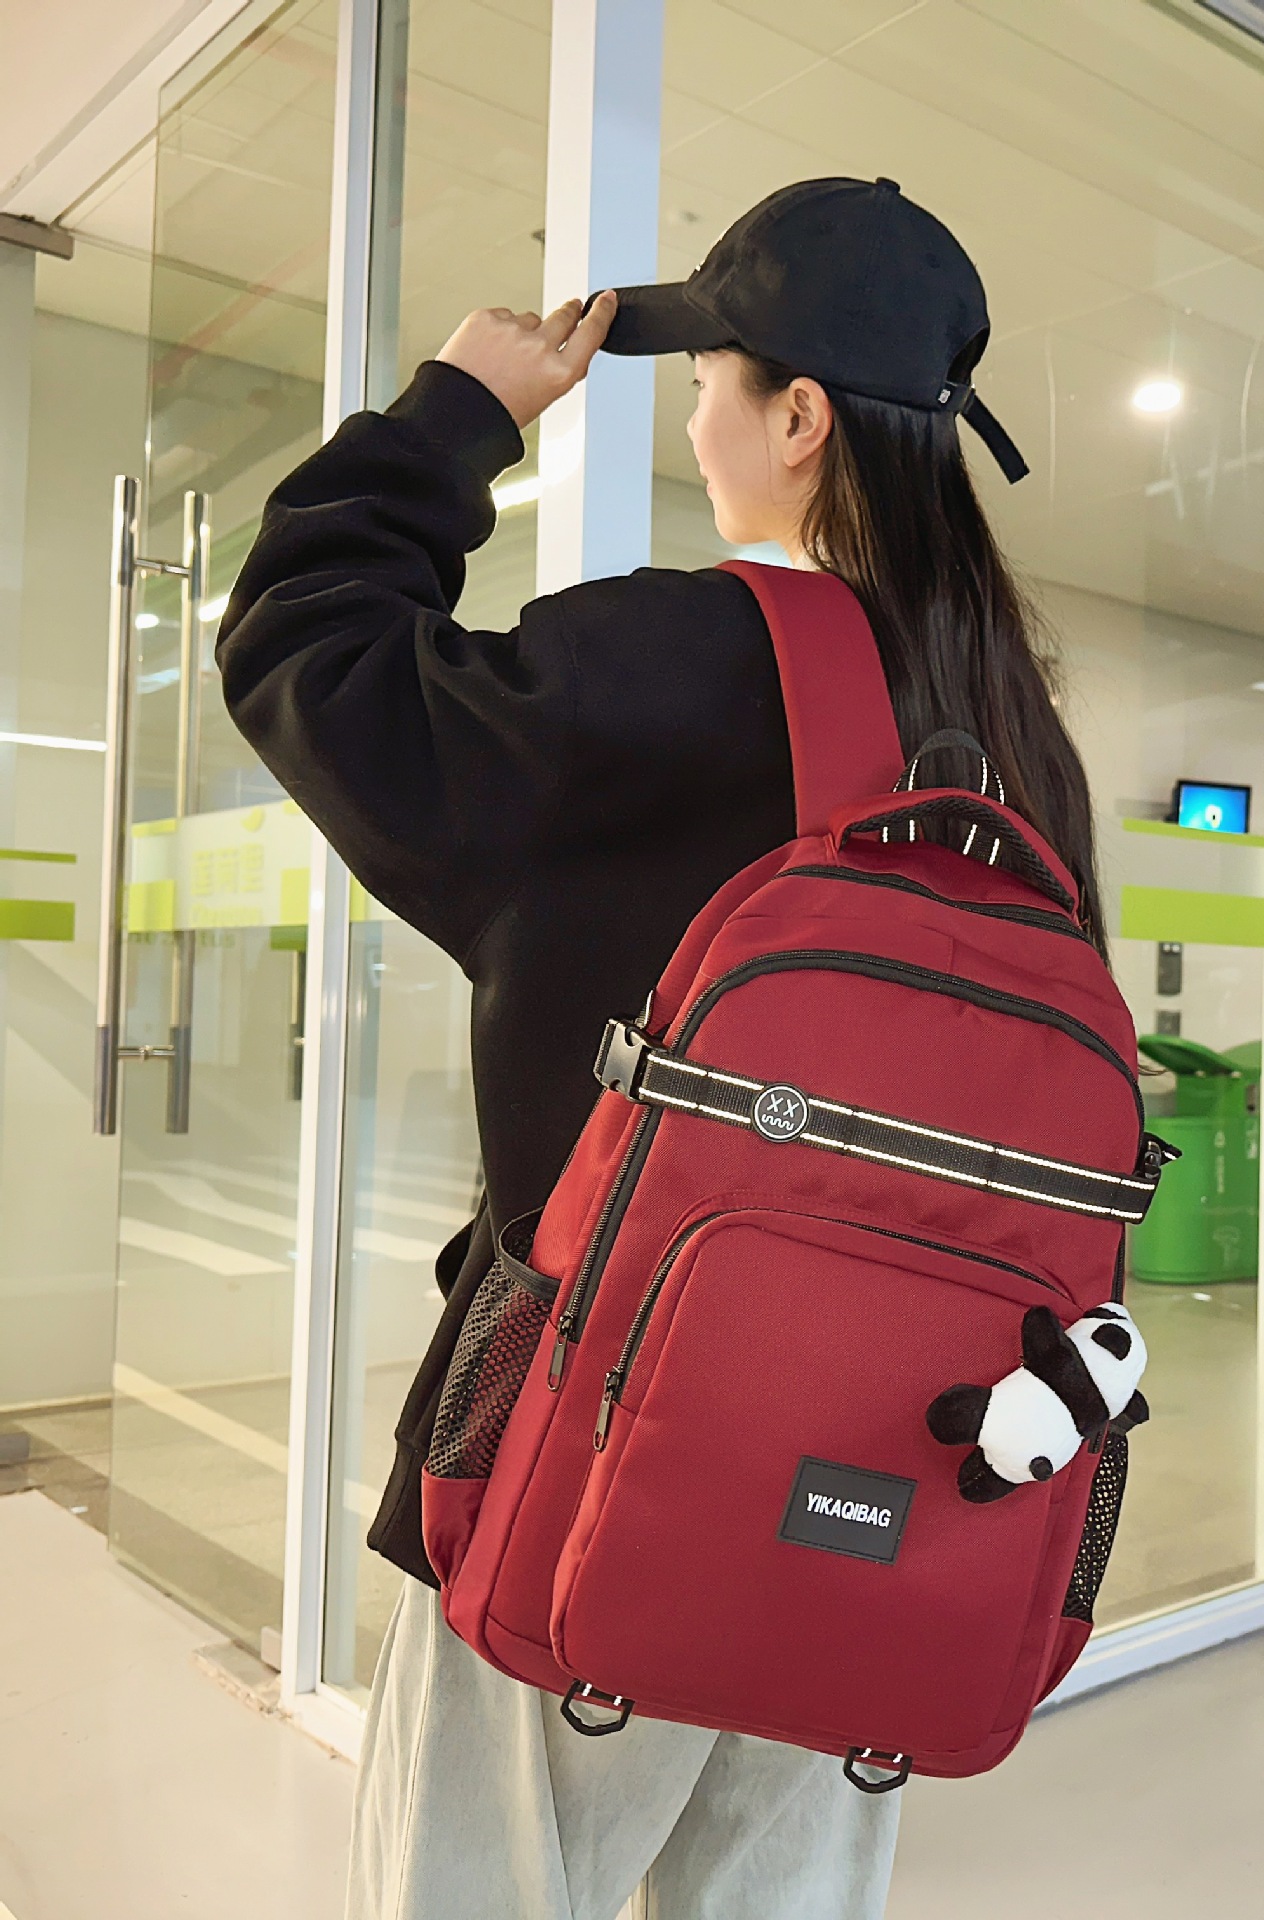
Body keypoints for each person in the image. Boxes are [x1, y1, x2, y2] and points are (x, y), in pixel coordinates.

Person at [216, 177, 1103, 1920]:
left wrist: (455, 419)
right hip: (914, 1470)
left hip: (600, 1438)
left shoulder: (686, 661)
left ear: (799, 417)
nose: (695, 419)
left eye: (707, 379)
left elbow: (308, 657)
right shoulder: (1025, 740)